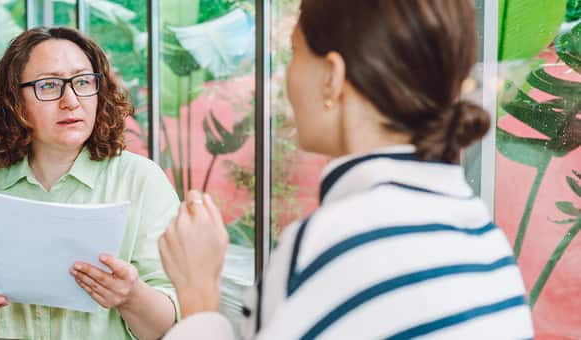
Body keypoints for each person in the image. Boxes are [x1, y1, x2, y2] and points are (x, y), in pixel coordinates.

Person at [158, 1, 534, 339]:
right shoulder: (487, 240)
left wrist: (199, 295)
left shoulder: (329, 247)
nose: (285, 78)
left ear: (332, 77)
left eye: (295, 54)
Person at [0, 27, 180, 340]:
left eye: (83, 82)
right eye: (49, 85)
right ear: (15, 100)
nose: (71, 101)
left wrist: (130, 296)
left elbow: (173, 328)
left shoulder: (142, 181)